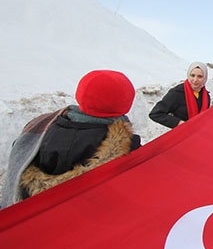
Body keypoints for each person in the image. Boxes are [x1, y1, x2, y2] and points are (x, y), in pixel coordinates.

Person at [1, 70, 141, 208]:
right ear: (126, 102)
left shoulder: (42, 130)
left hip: (40, 216)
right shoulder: (127, 145)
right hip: (89, 222)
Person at [149, 62, 211, 128]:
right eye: (192, 75)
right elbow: (155, 114)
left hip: (198, 134)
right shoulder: (177, 93)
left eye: (200, 76)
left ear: (205, 78)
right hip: (181, 134)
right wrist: (178, 122)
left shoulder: (206, 96)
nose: (195, 80)